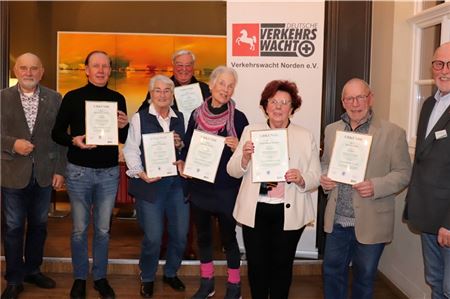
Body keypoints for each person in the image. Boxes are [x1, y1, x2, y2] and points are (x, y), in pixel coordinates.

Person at [227, 80, 321, 299]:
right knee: (257, 266)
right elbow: (232, 170)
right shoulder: (251, 131)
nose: (278, 107)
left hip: (288, 212)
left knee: (282, 266)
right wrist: (245, 157)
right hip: (256, 211)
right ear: (265, 105)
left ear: (292, 107)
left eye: (284, 102)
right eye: (273, 102)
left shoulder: (305, 135)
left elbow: (315, 177)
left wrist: (301, 178)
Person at [320, 78, 411, 299]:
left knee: (364, 277)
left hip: (372, 220)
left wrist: (376, 185)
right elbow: (325, 163)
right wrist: (325, 178)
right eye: (349, 98)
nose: (355, 103)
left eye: (360, 97)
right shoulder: (332, 130)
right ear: (343, 102)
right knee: (331, 273)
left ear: (370, 98)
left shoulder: (393, 133)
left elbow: (404, 173)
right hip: (338, 220)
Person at [52, 50, 129, 299]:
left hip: (108, 173)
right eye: (95, 65)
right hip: (79, 172)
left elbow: (124, 139)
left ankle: (100, 277)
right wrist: (74, 141)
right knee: (79, 229)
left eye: (105, 66)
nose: (101, 70)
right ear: (86, 69)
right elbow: (56, 133)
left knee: (104, 230)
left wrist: (124, 126)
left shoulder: (118, 98)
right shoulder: (73, 97)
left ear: (110, 70)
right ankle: (79, 277)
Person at [1, 53, 66, 299]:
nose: (29, 73)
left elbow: (62, 139)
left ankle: (33, 270)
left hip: (44, 175)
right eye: (24, 68)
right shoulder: (2, 98)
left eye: (34, 68)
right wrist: (12, 144)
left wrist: (60, 169)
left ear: (42, 71)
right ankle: (14, 278)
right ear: (16, 71)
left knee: (39, 226)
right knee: (14, 227)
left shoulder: (55, 98)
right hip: (12, 174)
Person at [180, 66, 249, 299]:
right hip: (199, 187)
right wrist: (182, 163)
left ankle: (234, 284)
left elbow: (246, 157)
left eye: (231, 86)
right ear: (211, 85)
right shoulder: (195, 114)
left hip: (226, 189)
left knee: (229, 239)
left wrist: (238, 146)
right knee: (204, 238)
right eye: (222, 84)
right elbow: (188, 147)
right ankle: (207, 283)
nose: (226, 89)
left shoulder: (239, 118)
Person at [122, 75, 189, 298]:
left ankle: (171, 272)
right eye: (157, 91)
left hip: (177, 185)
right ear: (151, 94)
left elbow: (187, 150)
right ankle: (147, 275)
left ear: (172, 94)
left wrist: (180, 147)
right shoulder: (139, 118)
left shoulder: (181, 117)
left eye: (167, 91)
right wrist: (141, 173)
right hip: (150, 185)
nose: (162, 95)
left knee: (180, 234)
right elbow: (131, 150)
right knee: (153, 236)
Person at [404, 42, 450, 299]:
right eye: (438, 64)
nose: (443, 71)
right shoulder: (429, 105)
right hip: (428, 214)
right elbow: (423, 159)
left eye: (449, 64)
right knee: (434, 280)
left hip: (447, 220)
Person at [138, 49, 211, 111]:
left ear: (193, 67)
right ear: (173, 66)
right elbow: (142, 115)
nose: (184, 69)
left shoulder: (205, 89)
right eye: (179, 65)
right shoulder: (158, 88)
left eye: (188, 65)